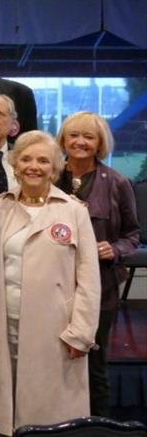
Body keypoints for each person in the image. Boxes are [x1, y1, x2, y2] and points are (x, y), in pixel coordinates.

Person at [0, 131, 100, 435]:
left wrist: (81, 332)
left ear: (55, 168)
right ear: (14, 164)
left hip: (57, 331)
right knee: (6, 414)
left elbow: (89, 278)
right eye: (25, 159)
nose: (33, 166)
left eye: (42, 160)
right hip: (3, 325)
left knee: (52, 419)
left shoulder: (74, 211)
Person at [56, 111, 139, 416]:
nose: (80, 142)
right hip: (54, 288)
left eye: (88, 137)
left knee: (94, 364)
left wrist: (114, 249)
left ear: (100, 143)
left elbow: (132, 235)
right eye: (73, 135)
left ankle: (96, 424)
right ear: (63, 139)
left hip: (99, 291)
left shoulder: (118, 182)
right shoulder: (49, 177)